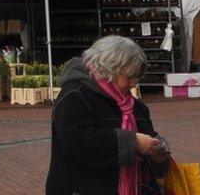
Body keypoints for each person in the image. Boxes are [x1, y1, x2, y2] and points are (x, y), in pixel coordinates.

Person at [47, 35, 168, 195]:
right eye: (130, 76)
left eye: (137, 77)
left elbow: (149, 135)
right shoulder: (75, 96)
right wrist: (134, 143)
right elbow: (81, 143)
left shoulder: (134, 105)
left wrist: (157, 153)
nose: (133, 84)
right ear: (110, 69)